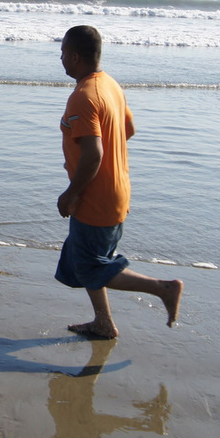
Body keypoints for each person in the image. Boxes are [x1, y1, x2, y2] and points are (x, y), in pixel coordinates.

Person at [55, 25, 183, 339]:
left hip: (95, 197)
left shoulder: (83, 97)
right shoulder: (109, 85)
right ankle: (102, 322)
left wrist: (72, 191)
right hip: (116, 190)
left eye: (62, 53)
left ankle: (163, 288)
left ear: (74, 56)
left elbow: (94, 153)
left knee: (92, 267)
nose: (60, 59)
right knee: (84, 258)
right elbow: (128, 130)